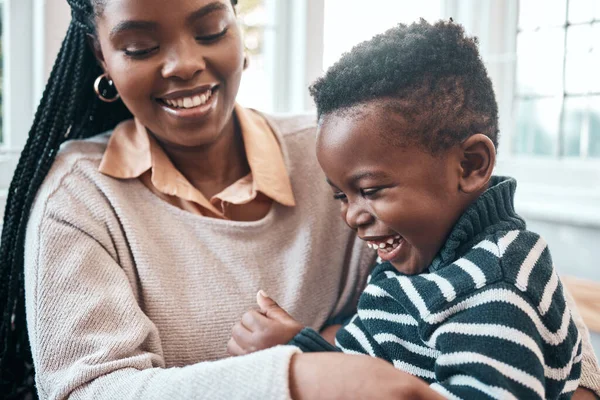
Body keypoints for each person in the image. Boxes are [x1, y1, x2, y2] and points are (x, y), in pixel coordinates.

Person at [0, 1, 597, 399]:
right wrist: (302, 372)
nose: (185, 63)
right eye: (138, 47)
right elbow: (91, 392)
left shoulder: (339, 152)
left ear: (238, 23)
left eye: (210, 29)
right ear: (101, 56)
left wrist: (582, 384)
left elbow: (498, 272)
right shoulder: (77, 201)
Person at [227, 20, 600, 399]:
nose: (352, 216)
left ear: (470, 165)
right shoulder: (424, 260)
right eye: (342, 196)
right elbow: (377, 374)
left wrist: (302, 355)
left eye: (370, 190)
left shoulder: (494, 286)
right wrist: (304, 350)